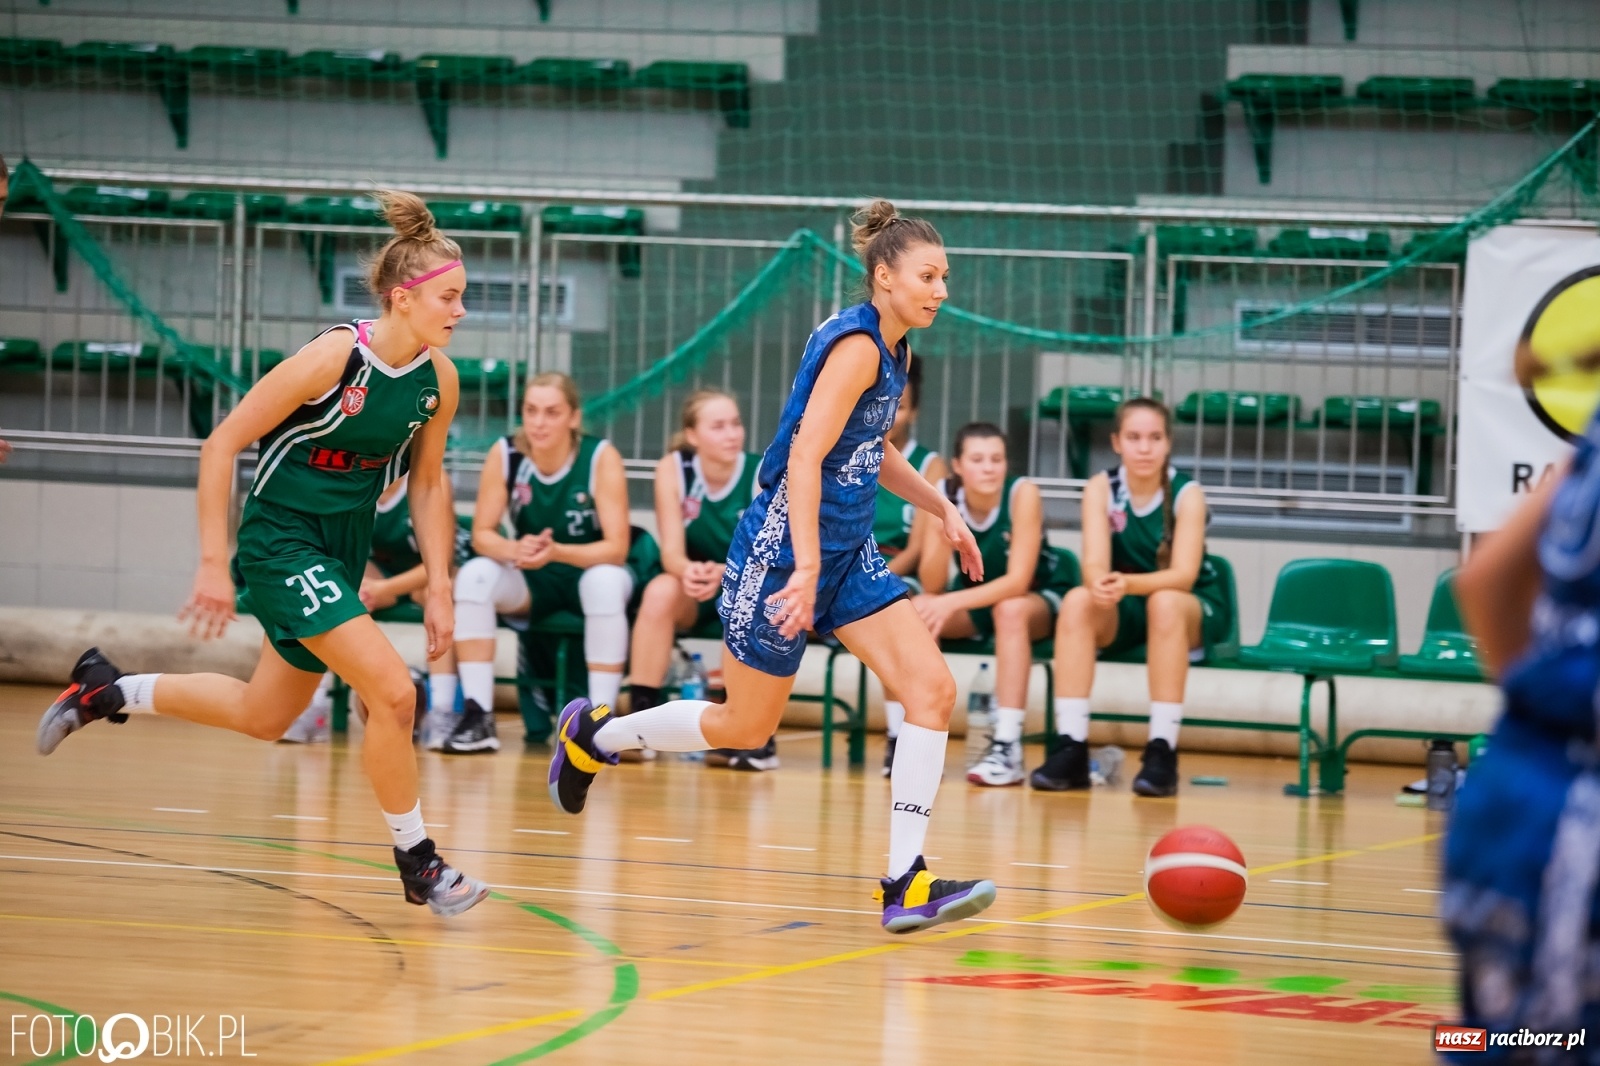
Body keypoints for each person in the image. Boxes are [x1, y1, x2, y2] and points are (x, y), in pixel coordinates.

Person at [547, 198, 999, 934]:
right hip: (783, 551)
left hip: (843, 552)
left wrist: (939, 506)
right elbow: (806, 456)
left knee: (931, 690)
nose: (941, 290)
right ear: (884, 276)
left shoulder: (896, 348)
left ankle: (905, 883)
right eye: (929, 276)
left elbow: (868, 448)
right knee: (742, 726)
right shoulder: (855, 347)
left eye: (944, 276)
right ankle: (595, 737)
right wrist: (809, 567)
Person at [35, 192, 489, 916]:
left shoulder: (439, 381)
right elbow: (222, 443)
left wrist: (440, 584)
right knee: (395, 694)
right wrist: (214, 562)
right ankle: (419, 861)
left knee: (264, 715)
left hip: (339, 549)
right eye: (451, 297)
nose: (461, 311)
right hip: (280, 541)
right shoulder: (337, 356)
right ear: (404, 299)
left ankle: (107, 689)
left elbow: (430, 484)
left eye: (464, 297)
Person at [1442, 344, 1600, 1055]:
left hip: (1514, 787)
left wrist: (1541, 712)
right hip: (1575, 830)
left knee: (1489, 1042)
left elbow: (1480, 585)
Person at [1031, 397, 1230, 797]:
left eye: (1155, 438)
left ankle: (1162, 750)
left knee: (1166, 603)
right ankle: (1070, 745)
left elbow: (1184, 576)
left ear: (1168, 443)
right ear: (1117, 442)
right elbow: (1094, 563)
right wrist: (1099, 583)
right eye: (1134, 437)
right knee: (1076, 601)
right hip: (1128, 602)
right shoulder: (1102, 488)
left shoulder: (1187, 494)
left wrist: (1126, 584)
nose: (1145, 448)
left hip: (1189, 605)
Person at [450, 372, 633, 752]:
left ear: (573, 418)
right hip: (533, 575)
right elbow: (483, 533)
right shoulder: (506, 454)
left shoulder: (600, 457)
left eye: (552, 412)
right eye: (531, 411)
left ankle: (601, 724)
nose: (539, 422)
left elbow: (617, 547)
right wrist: (514, 550)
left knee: (604, 582)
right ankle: (478, 714)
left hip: (588, 567)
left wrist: (558, 552)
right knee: (473, 576)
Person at [910, 422, 1071, 787]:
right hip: (980, 597)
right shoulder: (944, 495)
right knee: (917, 609)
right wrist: (939, 531)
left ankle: (1007, 745)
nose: (989, 467)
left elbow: (1017, 582)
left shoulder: (1021, 493)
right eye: (978, 459)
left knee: (1010, 610)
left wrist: (951, 602)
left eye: (997, 459)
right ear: (958, 466)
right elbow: (933, 584)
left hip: (1038, 596)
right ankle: (920, 736)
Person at [277, 471, 474, 747]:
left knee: (437, 596)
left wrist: (385, 589)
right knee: (335, 590)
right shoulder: (356, 475)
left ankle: (442, 712)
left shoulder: (433, 479)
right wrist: (367, 589)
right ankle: (315, 705)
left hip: (435, 573)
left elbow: (441, 562)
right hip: (384, 572)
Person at [626, 390, 765, 767]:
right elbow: (671, 552)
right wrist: (691, 571)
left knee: (752, 594)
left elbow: (765, 556)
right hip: (694, 588)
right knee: (659, 590)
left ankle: (740, 723)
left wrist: (724, 573)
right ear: (692, 435)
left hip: (744, 586)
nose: (732, 434)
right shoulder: (674, 469)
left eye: (735, 423)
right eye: (718, 426)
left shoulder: (759, 472)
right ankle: (641, 719)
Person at [871, 356, 946, 775]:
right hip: (845, 570)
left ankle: (898, 736)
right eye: (887, 402)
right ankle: (757, 733)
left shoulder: (929, 463)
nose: (892, 412)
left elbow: (919, 547)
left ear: (913, 411)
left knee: (886, 608)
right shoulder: (849, 449)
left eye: (901, 405)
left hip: (901, 571)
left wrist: (879, 577)